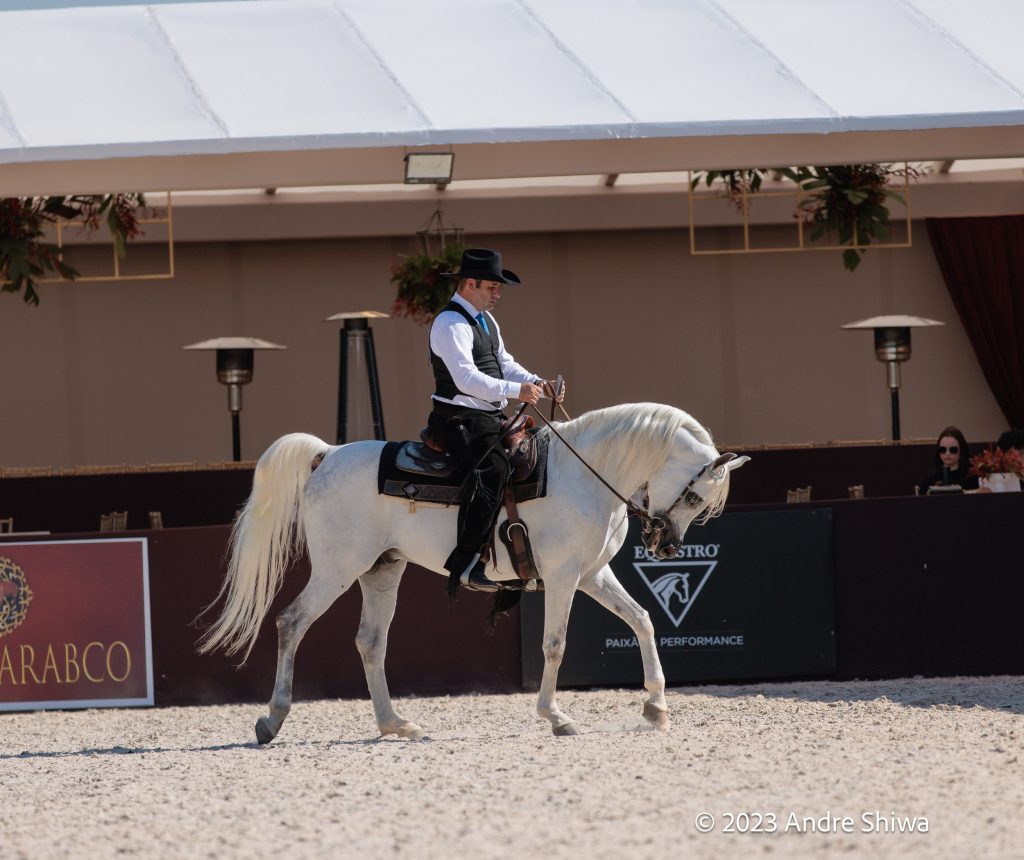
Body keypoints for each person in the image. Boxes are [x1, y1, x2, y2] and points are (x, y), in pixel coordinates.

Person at [427, 248, 561, 594]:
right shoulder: (450, 323)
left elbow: (504, 362)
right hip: (458, 418)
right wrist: (517, 390)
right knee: (494, 469)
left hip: (485, 416)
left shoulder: (485, 320)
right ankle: (467, 562)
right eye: (492, 287)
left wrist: (538, 384)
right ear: (470, 283)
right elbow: (466, 380)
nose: (497, 293)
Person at [918, 425, 978, 494]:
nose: (947, 453)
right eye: (943, 450)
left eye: (953, 450)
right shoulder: (929, 482)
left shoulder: (972, 480)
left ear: (961, 450)